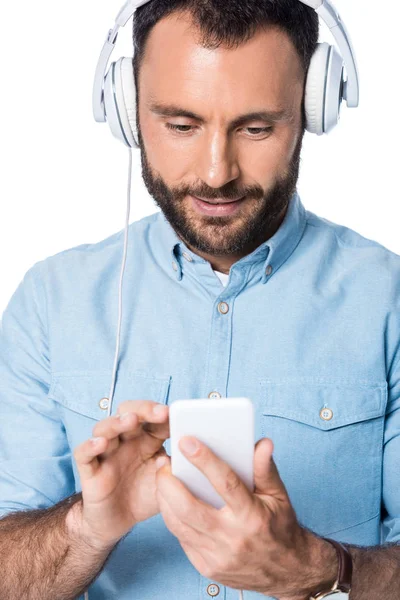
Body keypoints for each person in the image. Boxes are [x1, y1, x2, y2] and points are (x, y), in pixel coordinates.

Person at [0, 0, 399, 599]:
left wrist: (323, 568)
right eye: (181, 126)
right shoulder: (51, 302)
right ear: (126, 113)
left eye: (256, 127)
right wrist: (86, 526)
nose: (217, 173)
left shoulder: (388, 300)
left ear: (314, 108)